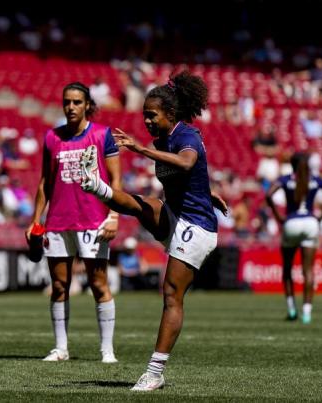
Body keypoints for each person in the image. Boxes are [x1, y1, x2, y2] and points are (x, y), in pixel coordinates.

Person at [78, 71, 228, 391]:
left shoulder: (184, 135)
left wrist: (140, 150)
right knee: (142, 205)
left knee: (171, 293)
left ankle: (155, 372)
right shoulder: (163, 139)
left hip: (197, 227)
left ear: (169, 114)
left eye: (152, 115)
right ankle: (93, 184)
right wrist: (208, 191)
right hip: (177, 215)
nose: (146, 120)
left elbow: (188, 162)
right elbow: (190, 174)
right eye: (144, 115)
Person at [24, 82, 121, 364]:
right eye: (67, 102)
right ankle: (61, 348)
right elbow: (45, 183)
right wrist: (35, 220)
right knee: (58, 285)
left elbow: (116, 181)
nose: (71, 107)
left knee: (98, 284)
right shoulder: (51, 137)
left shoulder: (103, 135)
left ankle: (107, 350)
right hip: (58, 221)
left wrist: (114, 215)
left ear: (87, 104)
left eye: (77, 102)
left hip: (94, 221)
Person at [266, 152, 322, 324]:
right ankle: (307, 313)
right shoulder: (315, 179)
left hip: (291, 223)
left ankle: (292, 310)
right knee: (308, 270)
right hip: (310, 223)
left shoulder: (285, 179)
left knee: (287, 269)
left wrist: (278, 216)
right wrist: (321, 217)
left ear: (291, 165)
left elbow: (269, 195)